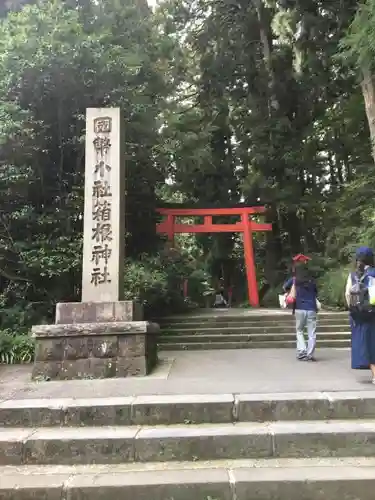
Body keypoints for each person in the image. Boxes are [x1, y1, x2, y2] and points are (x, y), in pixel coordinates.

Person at [345, 246, 375, 383]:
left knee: (363, 341)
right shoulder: (373, 273)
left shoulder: (353, 275)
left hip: (359, 313)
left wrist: (353, 308)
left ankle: (367, 368)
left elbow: (347, 294)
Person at [283, 254, 319, 361]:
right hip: (311, 308)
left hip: (299, 307)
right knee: (312, 332)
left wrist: (291, 291)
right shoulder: (312, 279)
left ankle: (302, 351)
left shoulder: (294, 279)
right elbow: (316, 292)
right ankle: (310, 354)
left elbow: (284, 287)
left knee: (299, 331)